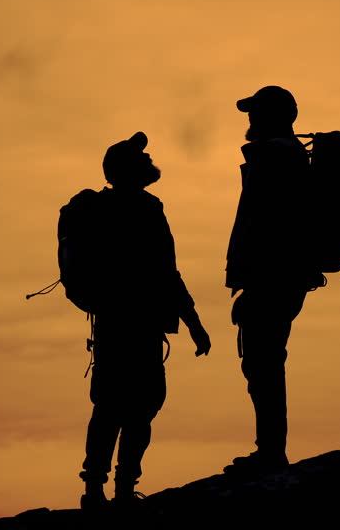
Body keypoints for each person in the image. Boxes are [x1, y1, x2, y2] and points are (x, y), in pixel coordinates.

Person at [76, 132, 212, 509]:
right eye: (142, 156)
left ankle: (97, 489)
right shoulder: (146, 209)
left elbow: (166, 272)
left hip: (113, 324)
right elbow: (167, 272)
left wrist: (192, 322)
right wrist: (194, 323)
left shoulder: (105, 209)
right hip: (138, 325)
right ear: (129, 169)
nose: (150, 158)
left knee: (113, 407)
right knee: (136, 408)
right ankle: (118, 489)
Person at [224, 86, 322, 475]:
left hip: (273, 275)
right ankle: (269, 450)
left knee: (263, 363)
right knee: (264, 362)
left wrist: (255, 279)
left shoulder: (275, 156)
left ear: (275, 116)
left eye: (257, 112)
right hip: (281, 274)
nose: (250, 119)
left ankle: (270, 453)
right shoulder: (286, 154)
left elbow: (266, 223)